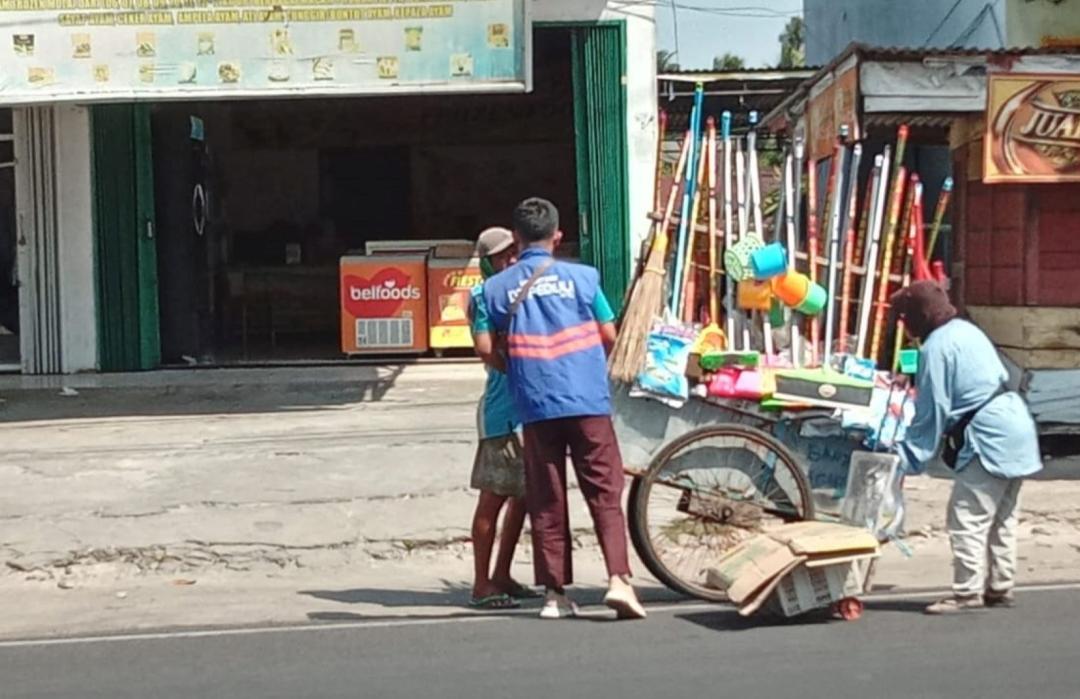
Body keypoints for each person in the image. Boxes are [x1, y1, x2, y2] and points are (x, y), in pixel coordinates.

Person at [476, 197, 646, 620]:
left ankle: (554, 594)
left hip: (535, 405)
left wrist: (519, 370)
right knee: (604, 492)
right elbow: (610, 335)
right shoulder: (584, 277)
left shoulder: (494, 289)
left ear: (516, 239)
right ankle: (619, 580)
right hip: (587, 400)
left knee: (546, 497)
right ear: (558, 236)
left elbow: (487, 349)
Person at [891, 281, 1042, 615]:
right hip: (1017, 426)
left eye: (905, 318)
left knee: (967, 516)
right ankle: (1000, 586)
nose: (905, 326)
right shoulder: (967, 331)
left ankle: (967, 593)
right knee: (1002, 516)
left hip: (989, 436)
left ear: (919, 316)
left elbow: (932, 411)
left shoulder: (935, 348)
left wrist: (906, 458)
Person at [466, 227, 538, 610]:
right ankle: (481, 584)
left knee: (522, 497)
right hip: (501, 414)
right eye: (501, 257)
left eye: (513, 253)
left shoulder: (522, 290)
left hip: (527, 410)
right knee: (493, 498)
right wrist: (516, 370)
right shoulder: (483, 296)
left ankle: (502, 574)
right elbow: (485, 349)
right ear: (487, 263)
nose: (510, 261)